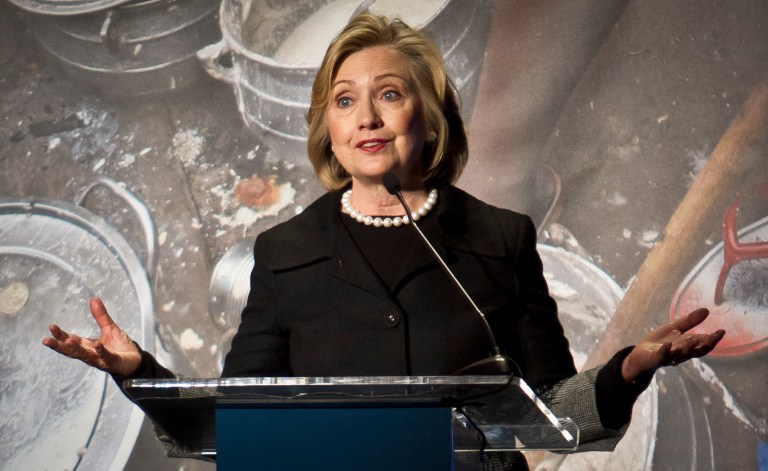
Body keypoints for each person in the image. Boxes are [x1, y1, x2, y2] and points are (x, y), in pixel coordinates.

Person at [43, 13, 725, 470]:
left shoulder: (501, 238)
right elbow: (230, 432)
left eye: (389, 94)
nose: (366, 116)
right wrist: (143, 376)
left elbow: (547, 423)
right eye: (344, 100)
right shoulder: (283, 255)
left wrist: (629, 368)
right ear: (329, 130)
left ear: (428, 116)